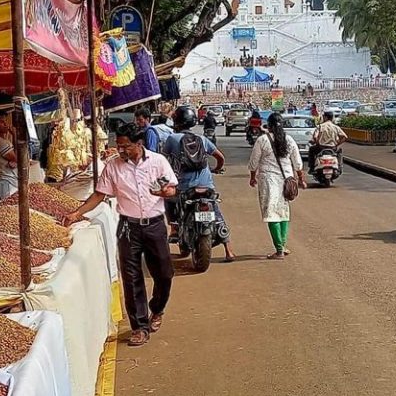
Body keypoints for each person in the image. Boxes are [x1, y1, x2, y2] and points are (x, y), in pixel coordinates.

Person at [61, 123, 176, 347]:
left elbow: (172, 188)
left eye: (126, 146)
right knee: (131, 277)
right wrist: (77, 213)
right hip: (128, 228)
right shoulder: (113, 167)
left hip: (154, 225)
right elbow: (99, 195)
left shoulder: (158, 162)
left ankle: (157, 308)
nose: (121, 150)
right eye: (119, 145)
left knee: (164, 274)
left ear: (139, 144)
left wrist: (164, 191)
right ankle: (139, 327)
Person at [163, 106, 236, 261]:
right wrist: (217, 169)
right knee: (215, 212)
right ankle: (229, 250)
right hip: (206, 185)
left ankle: (174, 228)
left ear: (176, 122)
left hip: (184, 186)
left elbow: (163, 160)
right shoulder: (202, 139)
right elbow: (220, 157)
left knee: (168, 199)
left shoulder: (172, 139)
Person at [249, 112, 305, 258]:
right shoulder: (289, 140)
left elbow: (254, 162)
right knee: (283, 212)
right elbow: (298, 162)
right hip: (287, 180)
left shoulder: (262, 140)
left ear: (269, 125)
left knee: (271, 213)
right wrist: (301, 178)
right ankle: (283, 245)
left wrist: (252, 177)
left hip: (268, 181)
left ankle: (279, 249)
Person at [0, 110, 20, 200]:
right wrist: (15, 136)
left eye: (6, 121)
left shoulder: (4, 140)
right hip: (5, 181)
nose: (6, 124)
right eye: (2, 122)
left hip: (10, 180)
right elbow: (16, 158)